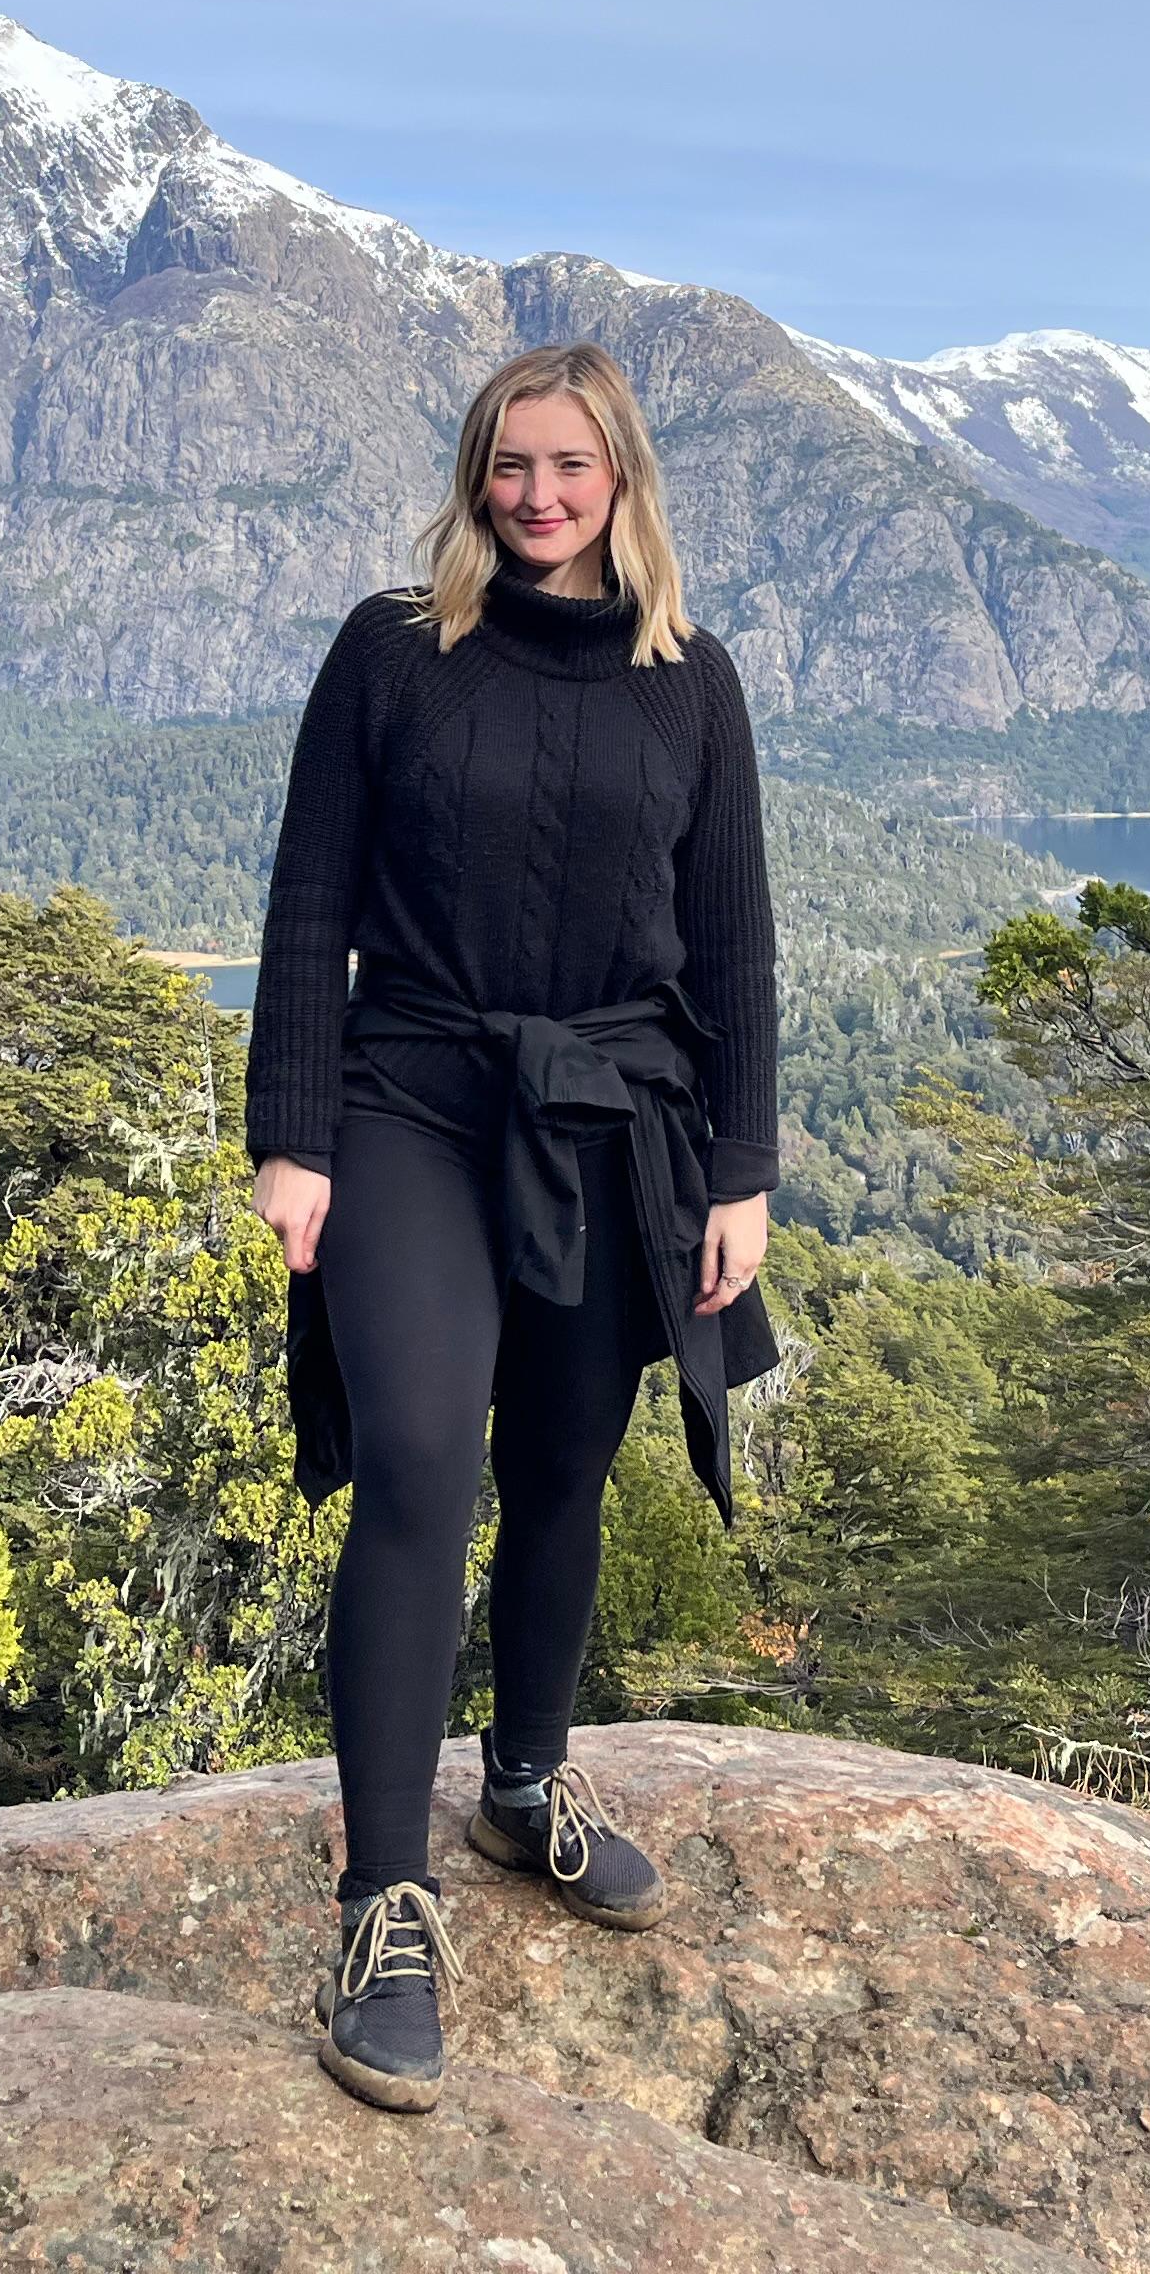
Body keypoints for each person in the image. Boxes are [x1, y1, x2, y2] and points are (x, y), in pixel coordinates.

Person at [245, 339, 783, 2113]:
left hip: (612, 1117)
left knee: (563, 1459)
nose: (538, 497)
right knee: (418, 1457)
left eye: (570, 466)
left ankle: (527, 1787)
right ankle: (382, 1905)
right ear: (475, 477)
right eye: (508, 464)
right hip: (409, 1097)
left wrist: (740, 1170)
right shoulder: (394, 652)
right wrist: (292, 1136)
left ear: (623, 479)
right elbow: (310, 894)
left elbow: (735, 941)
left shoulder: (689, 683)